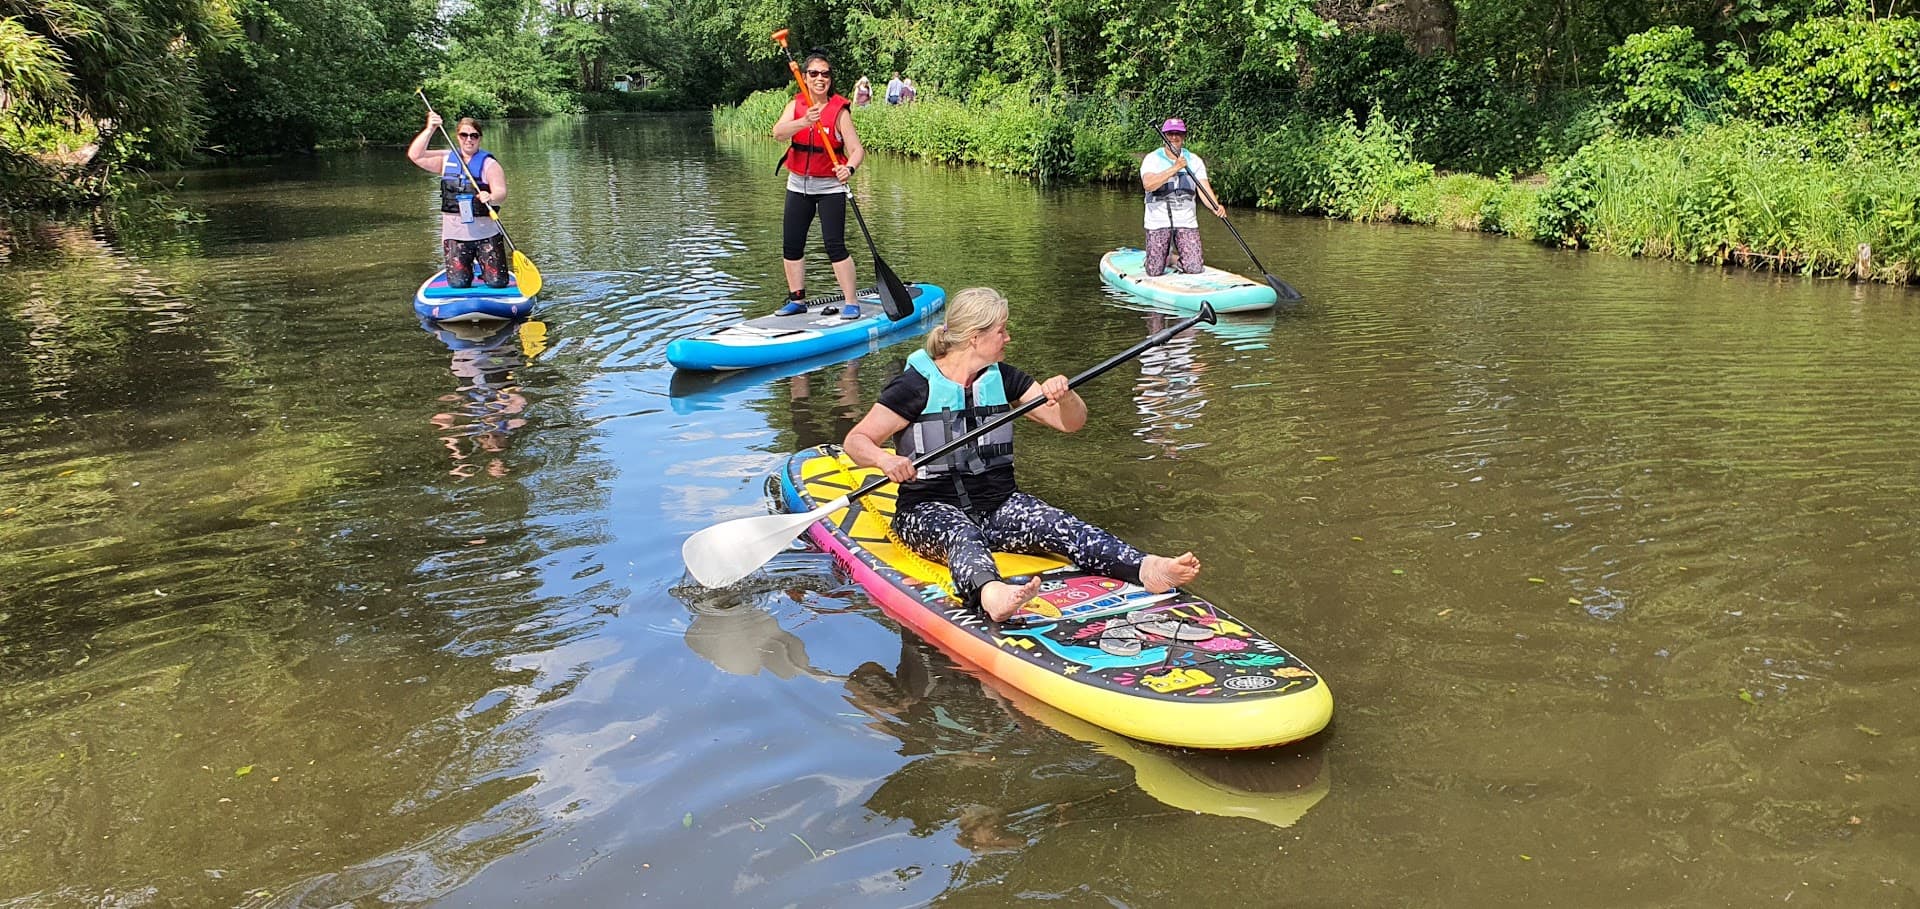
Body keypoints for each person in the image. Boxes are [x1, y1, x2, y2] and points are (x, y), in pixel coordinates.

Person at [841, 287, 1203, 621]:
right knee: (962, 535)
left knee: (1061, 525)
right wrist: (884, 460)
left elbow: (1070, 424)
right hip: (927, 510)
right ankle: (992, 594)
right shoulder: (914, 386)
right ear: (975, 337)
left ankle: (1146, 568)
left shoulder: (1005, 378)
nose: (1008, 338)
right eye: (1001, 331)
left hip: (997, 506)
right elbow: (856, 441)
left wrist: (1066, 397)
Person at [770, 51, 867, 319]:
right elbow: (778, 132)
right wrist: (804, 121)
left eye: (825, 73)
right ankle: (797, 299)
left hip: (830, 188)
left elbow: (857, 150)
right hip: (798, 185)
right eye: (814, 73)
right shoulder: (797, 105)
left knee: (834, 245)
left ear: (830, 78)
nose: (820, 78)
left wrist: (849, 168)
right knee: (792, 245)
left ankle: (851, 302)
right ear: (805, 77)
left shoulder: (839, 110)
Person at [408, 113, 510, 289]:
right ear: (458, 137)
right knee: (458, 283)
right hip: (455, 236)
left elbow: (501, 192)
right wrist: (430, 128)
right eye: (464, 135)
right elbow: (415, 155)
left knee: (497, 282)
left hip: (486, 235)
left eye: (474, 136)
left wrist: (490, 196)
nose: (469, 140)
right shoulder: (446, 159)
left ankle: (485, 273)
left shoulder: (489, 165)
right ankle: (468, 273)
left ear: (479, 138)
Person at [1138, 118, 1226, 278]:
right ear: (1164, 135)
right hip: (1157, 221)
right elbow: (1149, 185)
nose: (1174, 137)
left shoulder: (1194, 161)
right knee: (1154, 271)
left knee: (1194, 268)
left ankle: (1173, 258)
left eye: (1178, 133)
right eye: (1170, 133)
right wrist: (1175, 168)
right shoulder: (1152, 159)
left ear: (1183, 136)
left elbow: (1204, 188)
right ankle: (1157, 258)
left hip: (1186, 220)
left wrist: (1216, 207)